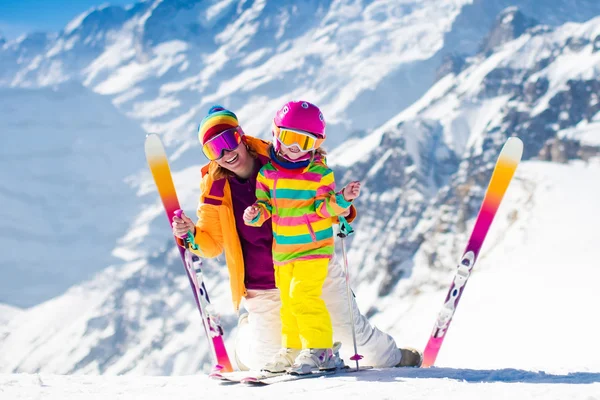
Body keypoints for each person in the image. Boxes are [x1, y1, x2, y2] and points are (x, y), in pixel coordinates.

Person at [172, 104, 422, 372]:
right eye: (213, 149)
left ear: (241, 135)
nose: (225, 153)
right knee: (264, 360)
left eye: (228, 141)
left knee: (350, 334)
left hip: (312, 262)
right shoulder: (215, 189)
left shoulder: (280, 157)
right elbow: (211, 245)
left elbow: (318, 189)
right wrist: (191, 235)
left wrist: (342, 208)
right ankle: (248, 335)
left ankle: (396, 358)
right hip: (264, 283)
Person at [242, 101, 361, 373]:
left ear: (316, 144)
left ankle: (321, 350)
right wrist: (255, 213)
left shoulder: (319, 174)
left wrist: (343, 199)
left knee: (302, 295)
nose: (294, 148)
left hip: (313, 249)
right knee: (288, 301)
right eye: (289, 138)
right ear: (276, 135)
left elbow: (325, 207)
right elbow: (266, 206)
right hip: (283, 251)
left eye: (303, 142)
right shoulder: (268, 174)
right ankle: (292, 349)